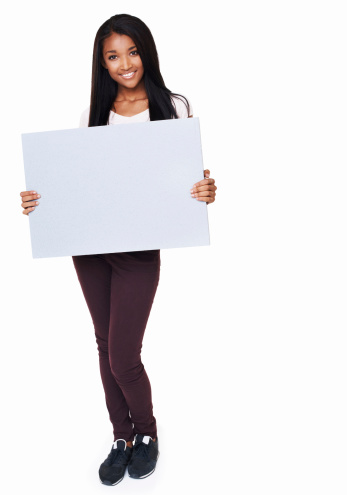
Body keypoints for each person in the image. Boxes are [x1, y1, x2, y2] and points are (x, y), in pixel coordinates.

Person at [19, 13, 217, 486]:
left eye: (131, 52)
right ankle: (121, 436)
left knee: (123, 353)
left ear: (145, 52)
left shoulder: (173, 105)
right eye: (112, 56)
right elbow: (78, 180)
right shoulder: (94, 112)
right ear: (102, 64)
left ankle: (147, 432)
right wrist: (38, 200)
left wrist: (205, 188)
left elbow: (186, 177)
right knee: (105, 343)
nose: (124, 64)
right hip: (89, 247)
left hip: (138, 251)